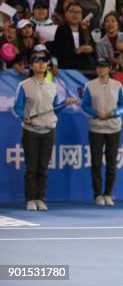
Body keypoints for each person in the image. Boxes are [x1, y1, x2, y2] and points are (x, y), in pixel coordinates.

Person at [13, 52, 77, 211]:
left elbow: (54, 110)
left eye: (44, 62)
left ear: (48, 65)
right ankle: (30, 199)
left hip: (48, 130)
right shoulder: (24, 85)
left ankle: (40, 198)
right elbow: (17, 107)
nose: (41, 64)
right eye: (37, 62)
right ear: (31, 66)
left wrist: (65, 103)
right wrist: (24, 116)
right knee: (31, 167)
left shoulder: (53, 86)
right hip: (31, 130)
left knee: (43, 167)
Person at [81, 57, 123, 206]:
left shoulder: (117, 85)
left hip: (113, 128)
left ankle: (108, 193)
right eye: (98, 66)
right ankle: (97, 195)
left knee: (111, 163)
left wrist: (113, 113)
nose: (101, 69)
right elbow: (84, 105)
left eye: (104, 66)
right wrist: (95, 113)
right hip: (96, 128)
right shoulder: (89, 85)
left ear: (109, 68)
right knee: (96, 163)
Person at [52, 2, 95, 70]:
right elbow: (56, 50)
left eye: (78, 12)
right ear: (66, 14)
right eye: (71, 11)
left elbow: (92, 46)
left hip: (85, 68)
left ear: (82, 15)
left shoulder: (85, 30)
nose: (74, 14)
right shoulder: (61, 29)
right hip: (66, 67)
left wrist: (89, 48)